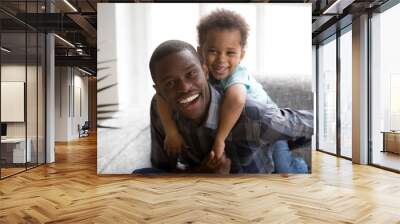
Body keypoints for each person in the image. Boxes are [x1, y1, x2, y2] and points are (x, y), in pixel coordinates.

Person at [155, 9, 307, 173]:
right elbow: (161, 97)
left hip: (269, 130)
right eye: (213, 51)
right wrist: (171, 132)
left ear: (241, 55)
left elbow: (236, 101)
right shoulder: (201, 73)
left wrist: (220, 140)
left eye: (230, 53)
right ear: (200, 52)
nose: (221, 60)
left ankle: (301, 166)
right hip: (249, 139)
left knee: (285, 170)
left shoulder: (237, 76)